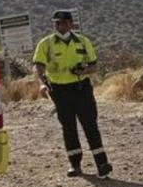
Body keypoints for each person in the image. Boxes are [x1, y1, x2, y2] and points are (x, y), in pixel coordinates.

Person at [33, 10, 112, 178]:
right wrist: (41, 84)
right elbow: (38, 67)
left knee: (90, 125)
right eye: (57, 23)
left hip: (81, 88)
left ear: (71, 24)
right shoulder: (46, 44)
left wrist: (84, 70)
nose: (60, 26)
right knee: (68, 127)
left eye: (64, 23)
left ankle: (102, 163)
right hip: (59, 91)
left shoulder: (83, 42)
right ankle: (75, 164)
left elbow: (94, 66)